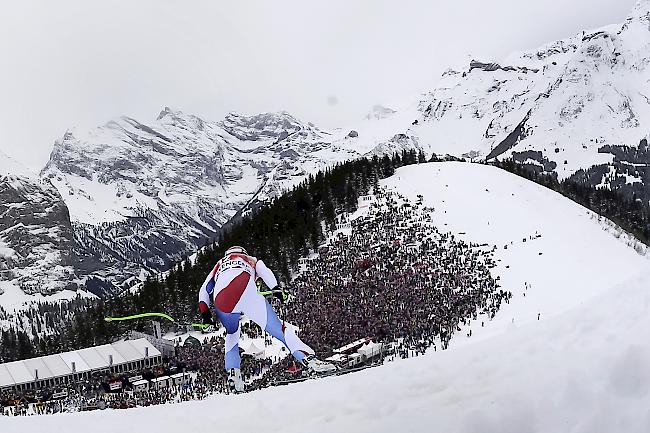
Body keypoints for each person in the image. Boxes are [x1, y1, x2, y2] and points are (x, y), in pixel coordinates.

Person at [198, 245, 335, 392]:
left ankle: (233, 376)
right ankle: (309, 359)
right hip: (246, 289)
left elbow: (204, 290)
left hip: (222, 300)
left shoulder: (218, 265)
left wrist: (206, 316)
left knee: (232, 334)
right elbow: (264, 271)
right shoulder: (250, 259)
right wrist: (276, 289)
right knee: (280, 330)